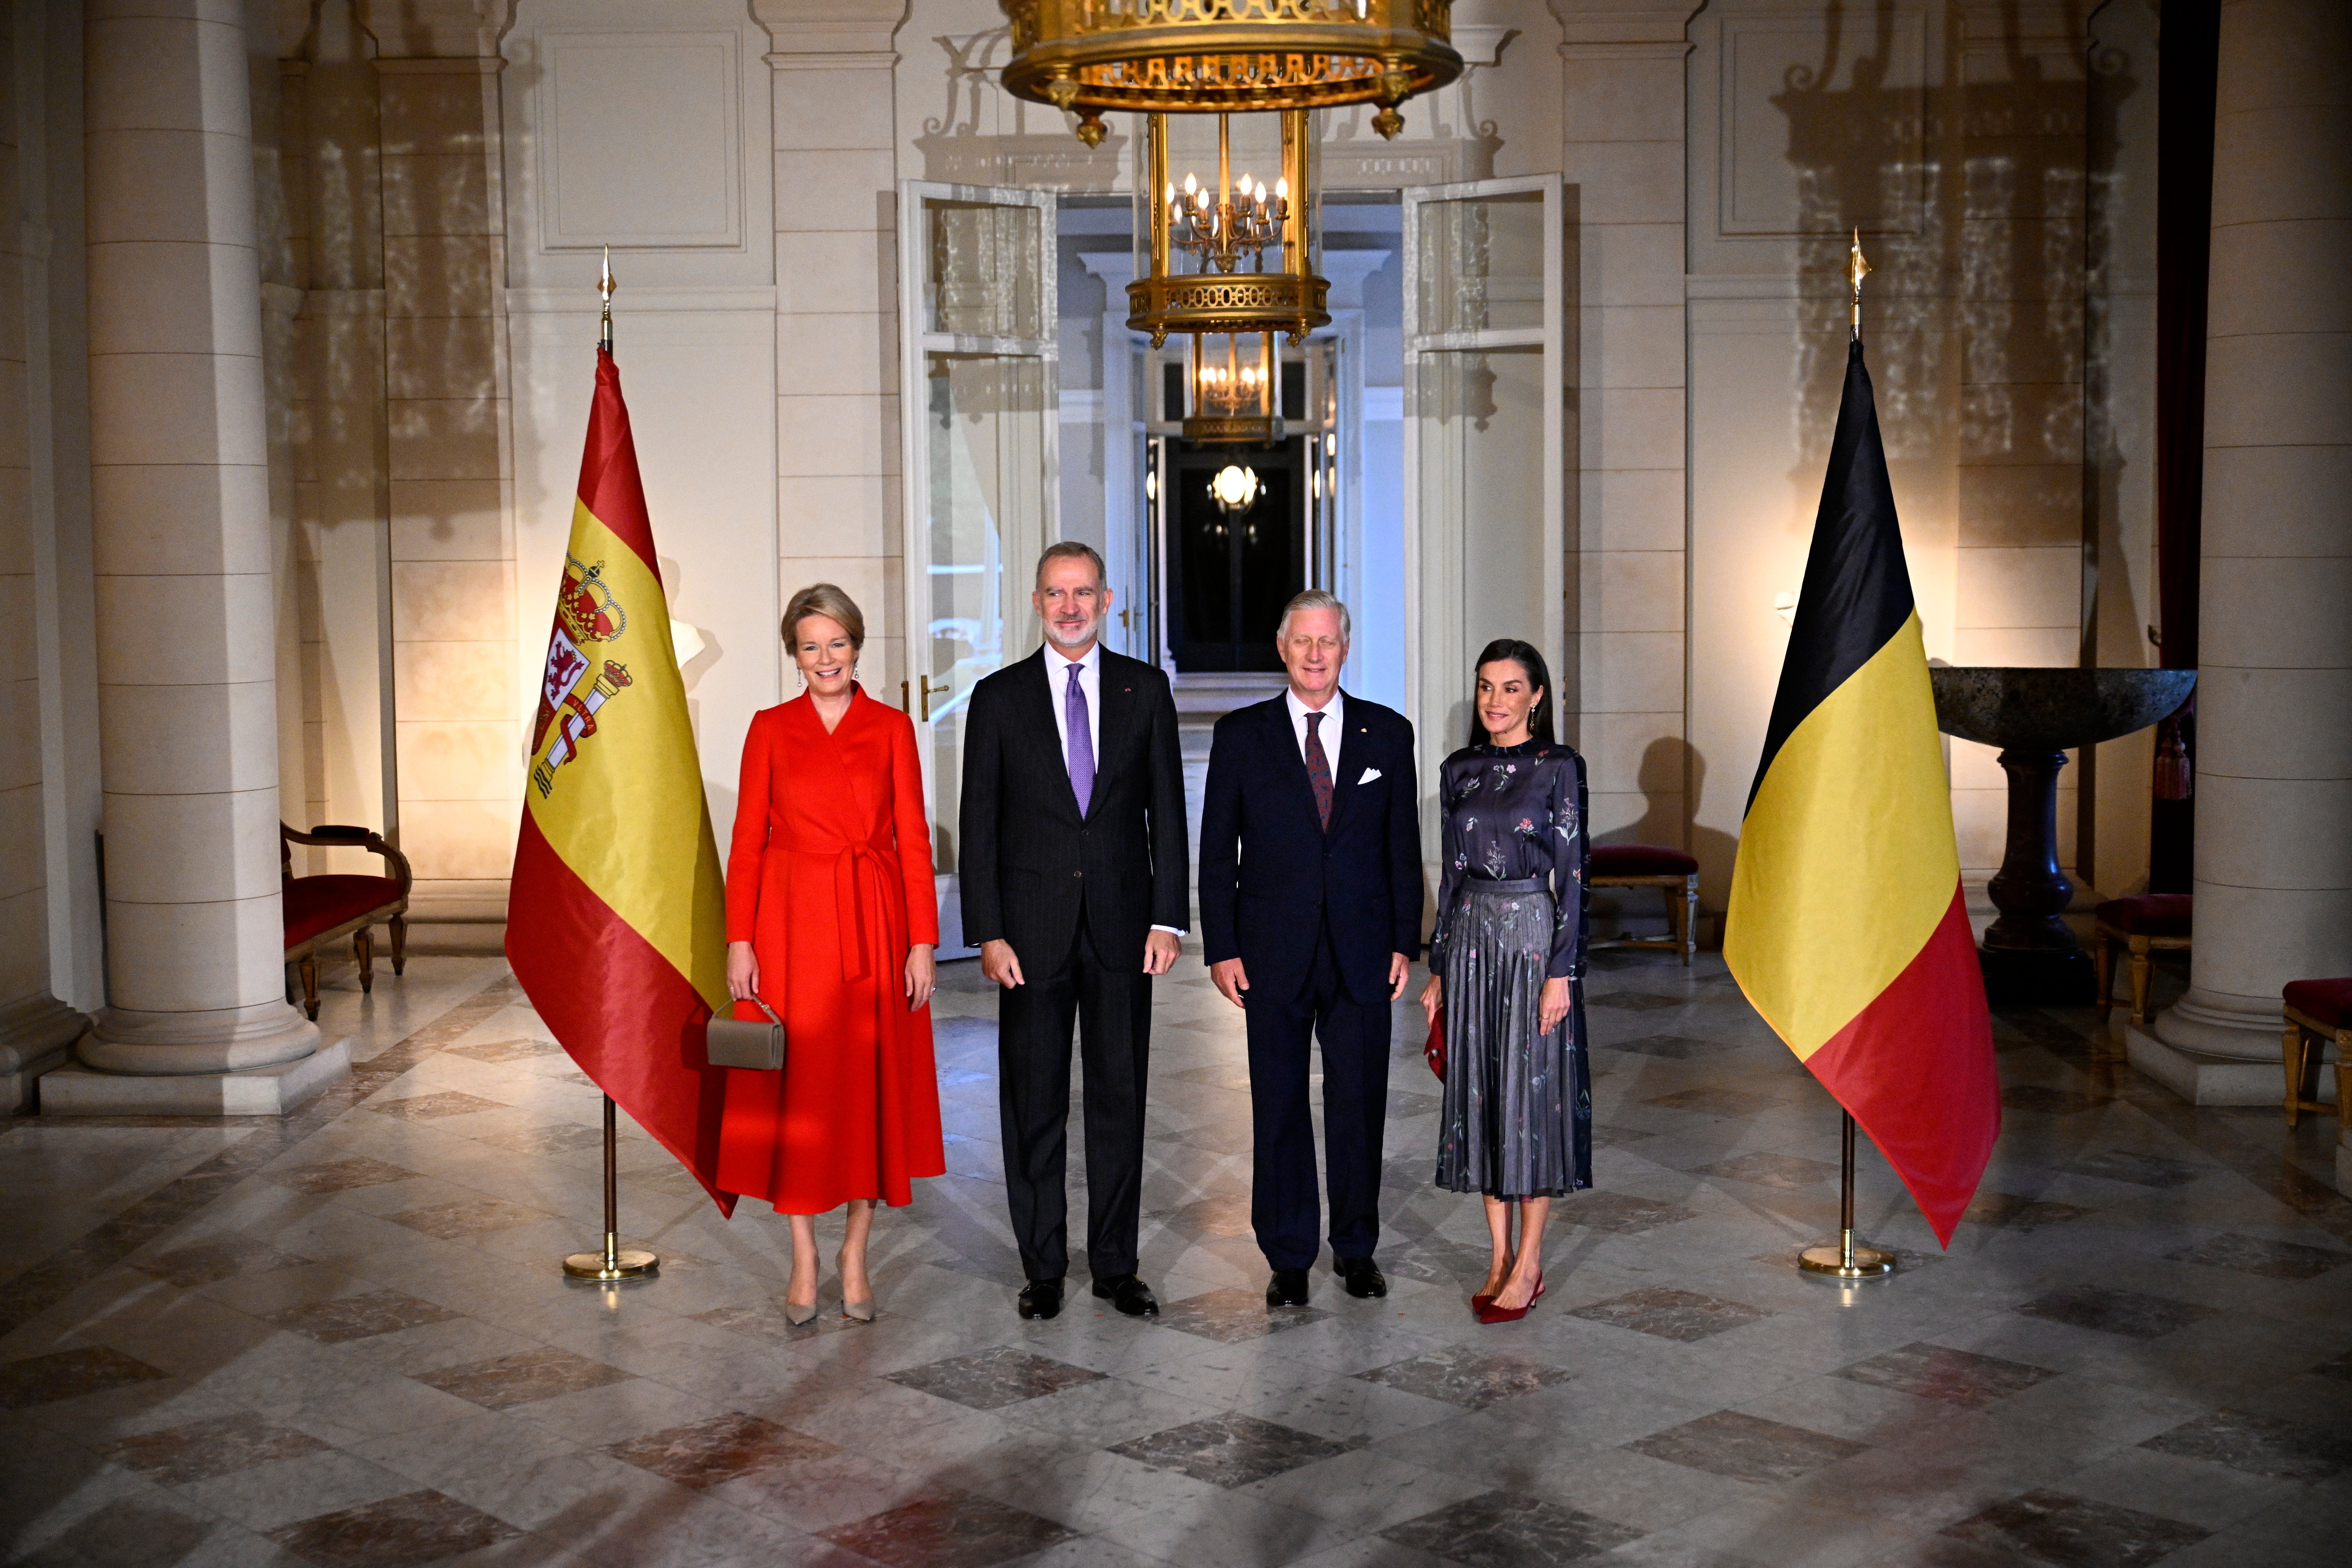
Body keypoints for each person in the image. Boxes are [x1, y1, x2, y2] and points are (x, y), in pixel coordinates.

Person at [959, 542, 1189, 1321]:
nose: (1069, 607)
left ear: (1107, 600)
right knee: (1035, 1105)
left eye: (1083, 592)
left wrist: (1167, 918)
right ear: (1036, 602)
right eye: (1056, 593)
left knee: (1121, 1100)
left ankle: (1118, 1266)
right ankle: (1044, 1268)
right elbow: (979, 825)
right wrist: (988, 932)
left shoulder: (1145, 690)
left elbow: (1168, 813)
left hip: (1125, 930)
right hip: (1030, 937)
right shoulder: (998, 698)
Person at [721, 584, 943, 1325]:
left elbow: (914, 842)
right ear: (794, 655)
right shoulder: (769, 729)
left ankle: (853, 1252)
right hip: (789, 929)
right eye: (811, 646)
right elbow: (746, 843)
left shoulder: (891, 728)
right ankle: (803, 1254)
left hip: (873, 928)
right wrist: (740, 941)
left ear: (857, 647)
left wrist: (922, 943)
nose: (826, 658)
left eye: (838, 643)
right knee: (800, 1092)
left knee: (864, 1092)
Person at [1198, 592, 1421, 1307]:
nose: (1315, 654)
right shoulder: (1241, 736)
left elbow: (1402, 848)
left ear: (1345, 649)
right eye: (1303, 641)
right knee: (1279, 1105)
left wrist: (1404, 940)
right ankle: (1288, 1254)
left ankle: (1356, 1249)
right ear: (1282, 647)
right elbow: (1217, 852)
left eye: (1328, 641)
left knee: (1359, 1103)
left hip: (1364, 952)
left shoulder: (1389, 734)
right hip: (1271, 952)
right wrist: (1222, 946)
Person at [1419, 638, 1592, 1325]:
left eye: (1512, 688)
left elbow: (1573, 878)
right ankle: (1497, 1258)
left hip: (1531, 939)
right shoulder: (1458, 770)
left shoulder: (1559, 767)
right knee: (1484, 1095)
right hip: (1470, 942)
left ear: (1537, 696)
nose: (1496, 701)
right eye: (1486, 687)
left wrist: (1562, 973)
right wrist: (1438, 966)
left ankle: (1530, 1263)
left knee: (1532, 1096)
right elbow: (1450, 875)